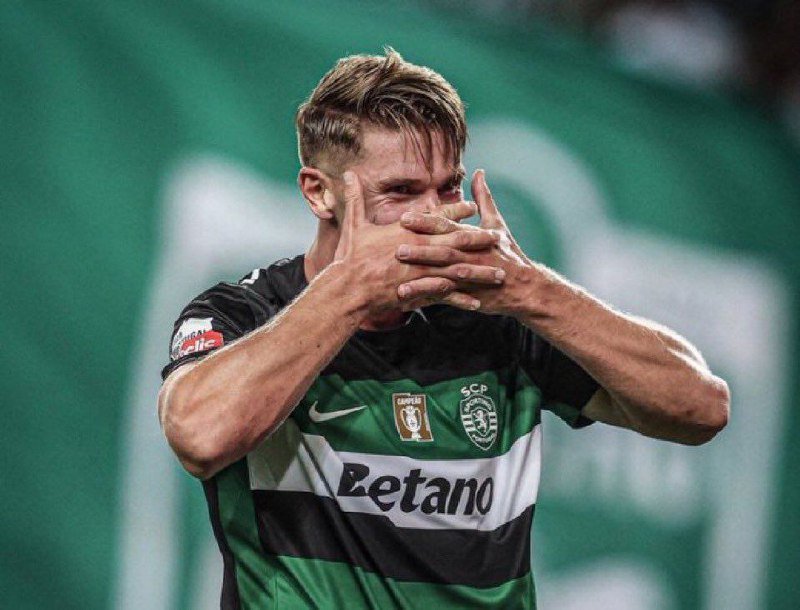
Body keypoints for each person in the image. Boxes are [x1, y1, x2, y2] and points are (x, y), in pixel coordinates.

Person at [158, 49, 730, 609]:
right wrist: (350, 292)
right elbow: (200, 438)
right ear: (319, 192)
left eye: (448, 188)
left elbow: (700, 408)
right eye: (402, 191)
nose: (435, 215)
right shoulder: (245, 314)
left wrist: (532, 290)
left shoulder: (500, 319)